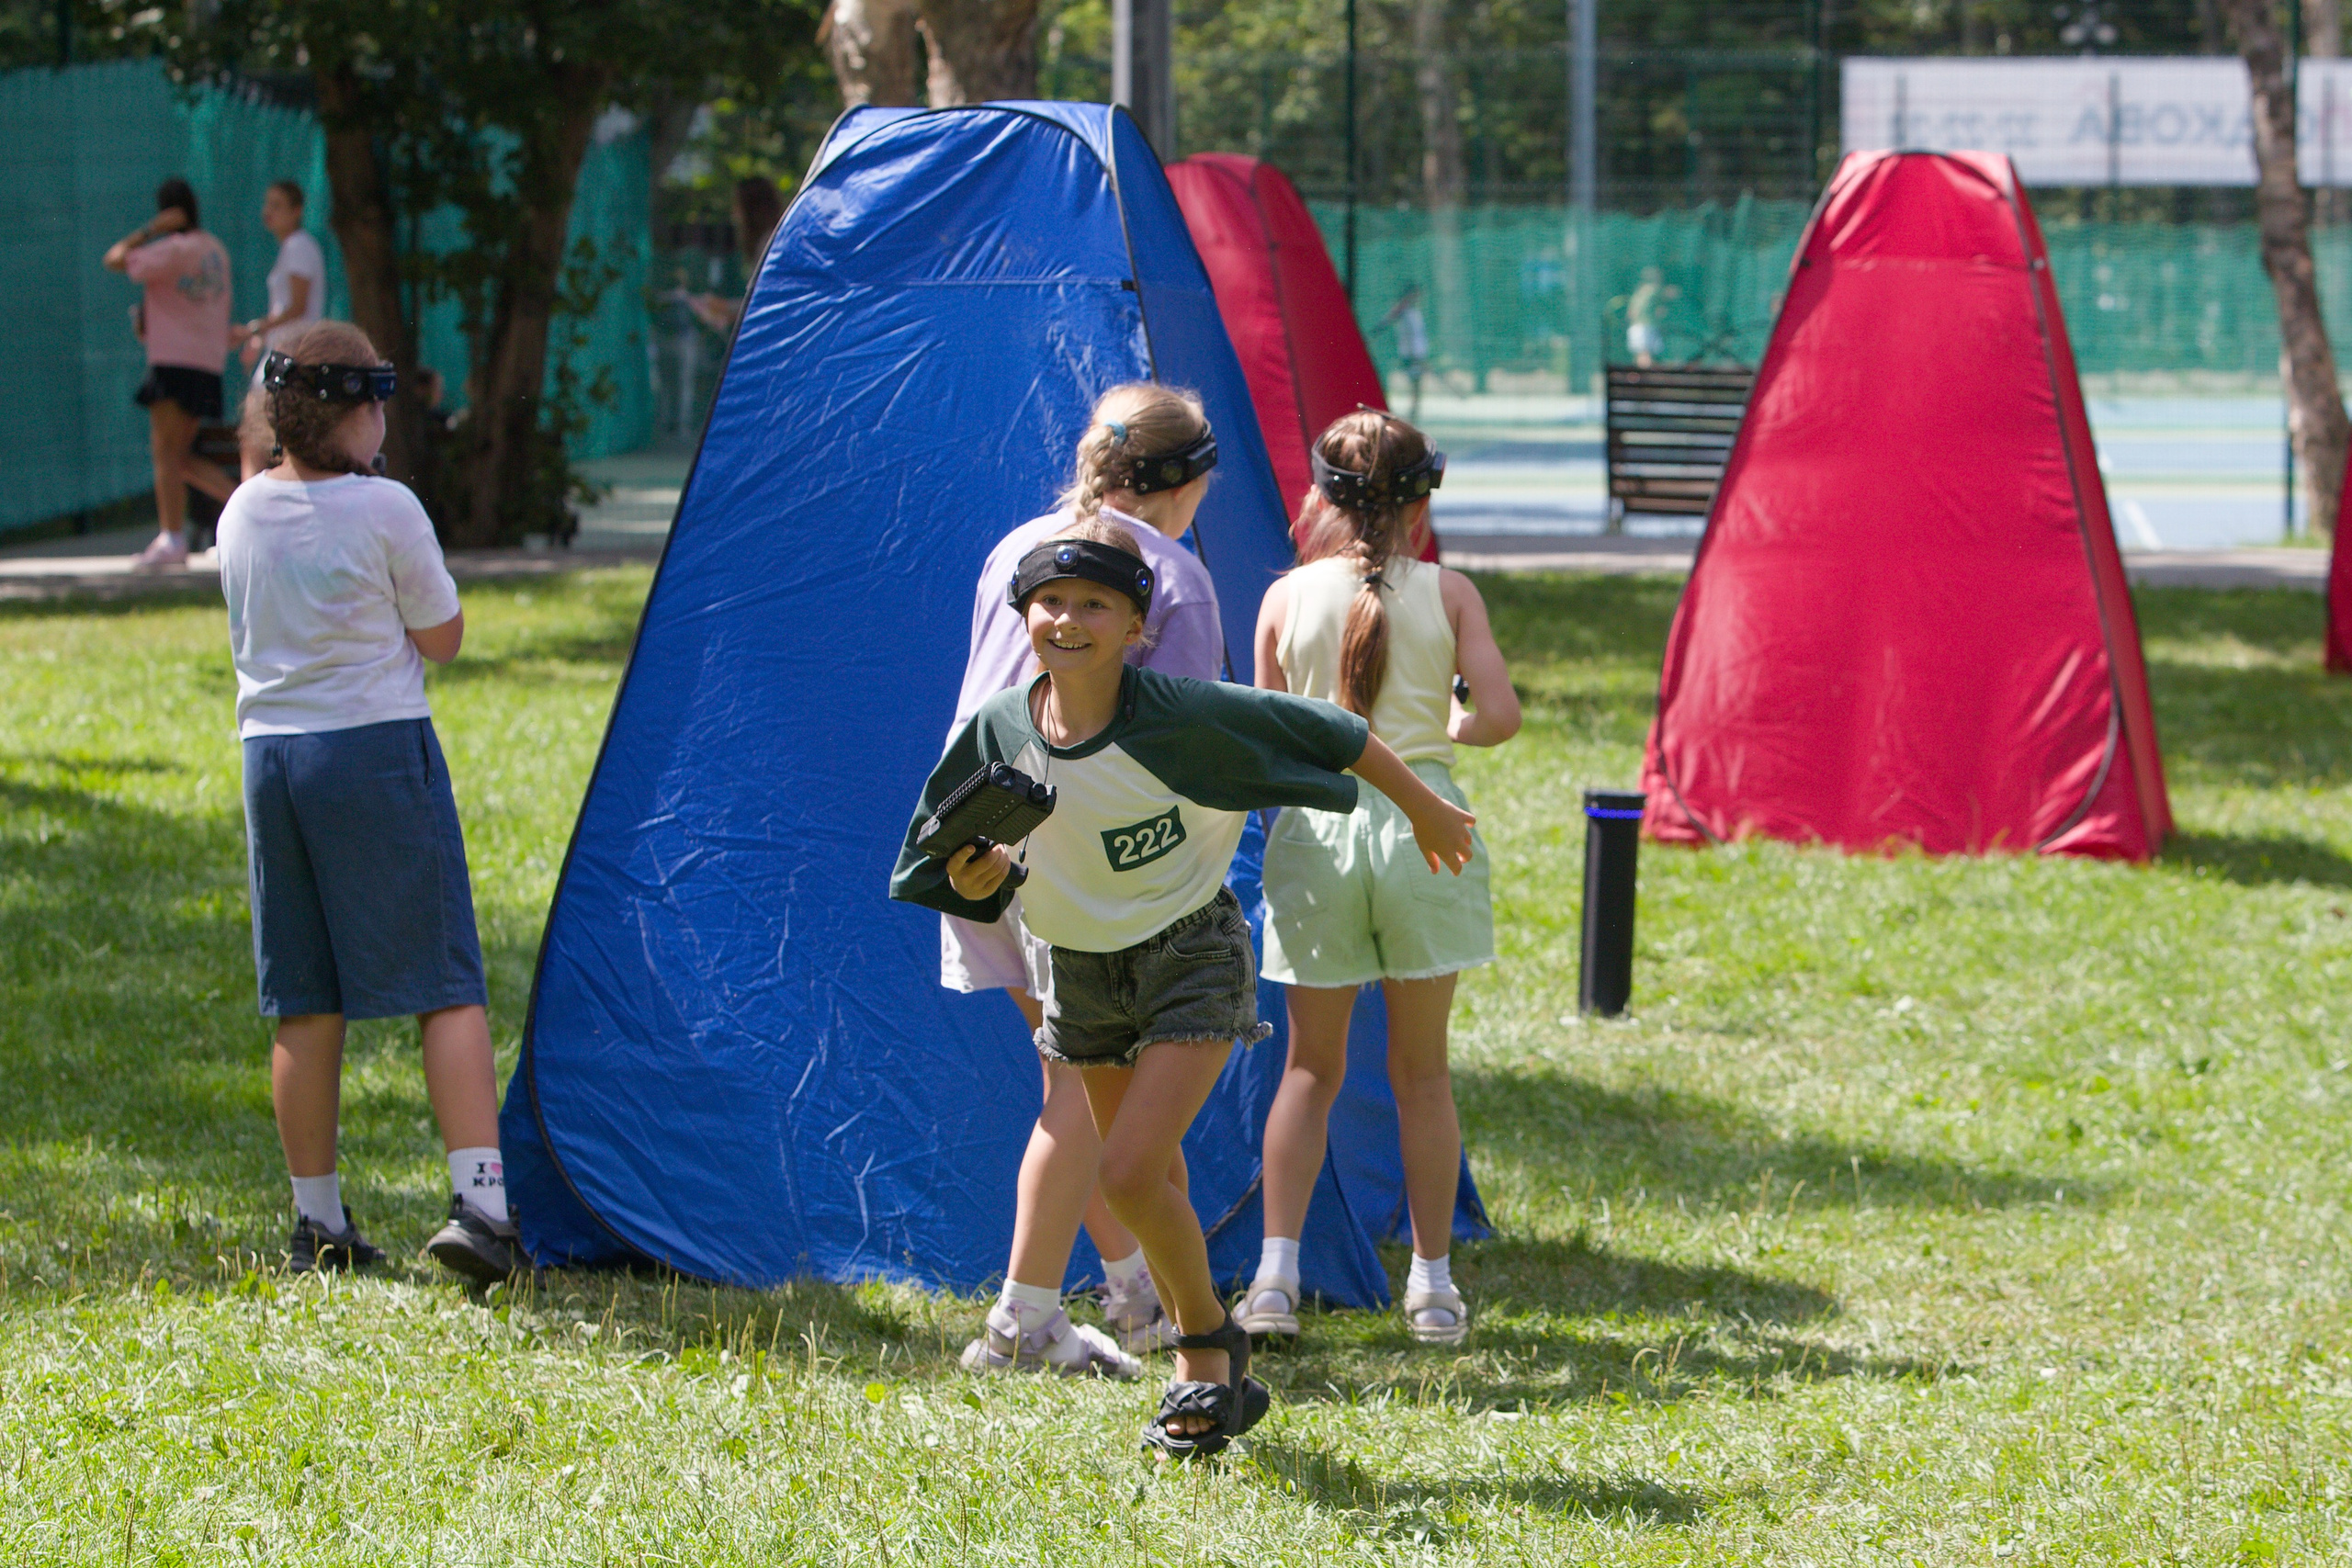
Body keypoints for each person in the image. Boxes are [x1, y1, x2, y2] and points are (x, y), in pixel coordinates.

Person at [892, 527, 1477, 1458]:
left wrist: (1426, 806)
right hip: (1077, 972)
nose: (1068, 621)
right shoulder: (998, 730)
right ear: (1023, 617)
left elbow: (1334, 733)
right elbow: (955, 873)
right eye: (1050, 603)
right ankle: (1202, 1361)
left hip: (1188, 954)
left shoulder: (1182, 714)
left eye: (1094, 605)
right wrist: (978, 877)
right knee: (1151, 1178)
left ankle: (1205, 1350)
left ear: (1135, 626)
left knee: (1125, 1170)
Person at [213, 320, 521, 1284]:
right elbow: (442, 637)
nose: (386, 417)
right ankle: (481, 1207)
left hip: (273, 761)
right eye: (375, 401)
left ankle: (317, 1220)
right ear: (347, 412)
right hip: (376, 751)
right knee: (443, 981)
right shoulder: (387, 508)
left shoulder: (239, 513)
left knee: (303, 997)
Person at [946, 385, 1228, 1380]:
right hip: (1081, 862)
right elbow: (1180, 748)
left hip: (976, 837)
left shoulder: (1014, 545)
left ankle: (1143, 1299)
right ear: (1188, 483)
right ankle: (1022, 1323)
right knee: (1081, 1080)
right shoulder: (1174, 577)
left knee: (1083, 1082)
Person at [1240, 410, 1521, 1348]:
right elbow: (1498, 717)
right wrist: (1446, 721)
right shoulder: (1452, 595)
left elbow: (1270, 735)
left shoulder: (1284, 598)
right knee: (1422, 1074)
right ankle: (1432, 1289)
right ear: (1422, 499)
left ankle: (1274, 1281)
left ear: (1320, 496)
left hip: (1315, 840)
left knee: (1309, 1069)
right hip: (1424, 838)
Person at [104, 177, 236, 571]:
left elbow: (114, 259)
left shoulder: (172, 248)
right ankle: (249, 505)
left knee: (165, 454)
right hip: (206, 364)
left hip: (174, 364)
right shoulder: (215, 250)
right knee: (181, 458)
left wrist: (151, 230)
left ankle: (172, 538)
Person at [233, 180, 327, 381]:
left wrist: (255, 329)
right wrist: (259, 338)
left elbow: (298, 307)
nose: (268, 211)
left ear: (297, 211)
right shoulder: (292, 247)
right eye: (267, 204)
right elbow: (284, 308)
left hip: (294, 354)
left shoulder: (298, 246)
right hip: (284, 352)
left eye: (277, 205)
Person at [685, 176, 786, 338]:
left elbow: (768, 303)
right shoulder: (768, 240)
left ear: (751, 208)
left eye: (737, 205)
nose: (734, 213)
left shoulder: (769, 243)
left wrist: (725, 307)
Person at [1382, 287, 1430, 420]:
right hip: (1410, 356)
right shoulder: (1404, 313)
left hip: (1417, 355)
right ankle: (1403, 414)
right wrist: (1413, 357)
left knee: (1416, 387)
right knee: (1412, 385)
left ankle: (1413, 414)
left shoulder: (1415, 313)